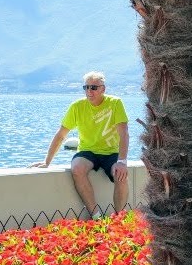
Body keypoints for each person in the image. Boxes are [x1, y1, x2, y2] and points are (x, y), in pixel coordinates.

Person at [31, 71, 129, 219]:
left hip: (111, 152)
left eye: (94, 87)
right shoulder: (77, 106)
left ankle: (119, 218)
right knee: (77, 168)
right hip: (87, 151)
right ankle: (96, 217)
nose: (89, 91)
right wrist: (47, 162)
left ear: (103, 89)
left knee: (121, 175)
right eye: (86, 87)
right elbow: (61, 135)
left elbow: (124, 134)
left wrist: (122, 162)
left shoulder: (115, 103)